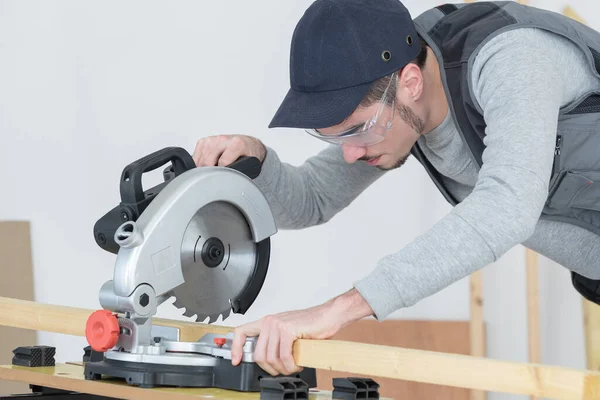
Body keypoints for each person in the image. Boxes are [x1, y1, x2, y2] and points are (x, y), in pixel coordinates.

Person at [192, 0, 600, 377]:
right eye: (335, 138)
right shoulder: (394, 106)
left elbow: (508, 204)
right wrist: (257, 162)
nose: (350, 154)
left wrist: (337, 310)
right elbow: (313, 198)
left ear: (410, 82)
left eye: (357, 131)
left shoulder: (509, 59)